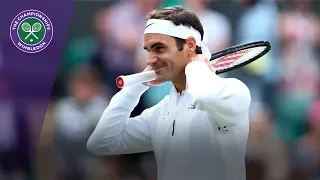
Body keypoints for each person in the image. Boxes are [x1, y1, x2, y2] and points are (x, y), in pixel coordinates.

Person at [87, 6, 251, 180]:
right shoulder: (160, 112)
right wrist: (137, 85)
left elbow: (204, 94)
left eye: (159, 48)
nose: (150, 59)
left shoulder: (235, 91)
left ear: (190, 45)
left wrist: (196, 63)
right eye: (148, 50)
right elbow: (101, 142)